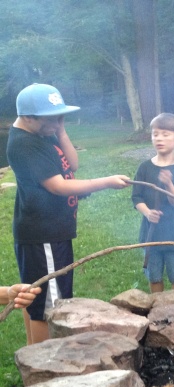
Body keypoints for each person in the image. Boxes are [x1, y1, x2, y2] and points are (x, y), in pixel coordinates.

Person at [7, 83, 130, 345]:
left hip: (51, 232)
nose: (57, 123)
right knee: (48, 306)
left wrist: (59, 130)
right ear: (29, 117)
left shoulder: (43, 133)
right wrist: (106, 181)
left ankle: (33, 357)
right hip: (44, 236)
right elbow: (58, 185)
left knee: (36, 297)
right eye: (52, 119)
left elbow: (72, 165)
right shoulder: (25, 145)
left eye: (60, 117)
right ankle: (44, 363)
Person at [131, 113, 174, 294]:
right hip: (151, 235)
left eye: (165, 134)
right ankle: (157, 311)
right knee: (154, 277)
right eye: (155, 134)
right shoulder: (145, 167)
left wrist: (168, 183)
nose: (159, 138)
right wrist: (148, 213)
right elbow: (136, 197)